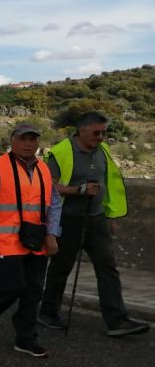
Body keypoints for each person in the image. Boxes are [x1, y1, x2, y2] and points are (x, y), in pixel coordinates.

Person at [38, 112, 150, 337]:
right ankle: (48, 312)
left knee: (107, 268)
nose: (101, 137)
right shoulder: (60, 152)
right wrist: (78, 190)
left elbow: (106, 185)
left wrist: (109, 217)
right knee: (61, 268)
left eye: (103, 132)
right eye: (96, 132)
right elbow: (47, 187)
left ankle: (117, 321)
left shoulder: (103, 151)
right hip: (67, 220)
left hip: (97, 220)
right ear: (81, 130)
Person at [0, 123, 62, 358]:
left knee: (33, 290)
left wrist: (52, 233)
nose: (29, 144)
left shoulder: (43, 169)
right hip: (6, 240)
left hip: (37, 239)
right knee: (13, 285)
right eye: (24, 139)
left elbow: (54, 203)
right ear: (13, 140)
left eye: (33, 139)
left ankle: (26, 339)